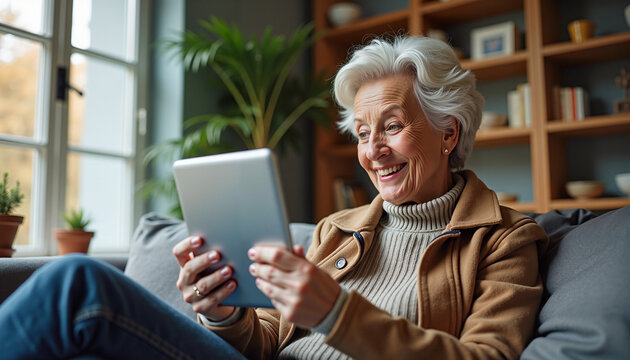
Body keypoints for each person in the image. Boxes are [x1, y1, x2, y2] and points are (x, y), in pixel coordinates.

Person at [0, 36, 547, 360]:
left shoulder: (504, 239)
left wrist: (338, 314)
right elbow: (267, 342)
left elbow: (486, 357)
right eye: (361, 132)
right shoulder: (339, 229)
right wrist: (220, 312)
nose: (373, 149)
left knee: (78, 284)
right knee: (75, 288)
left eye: (393, 126)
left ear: (449, 133)